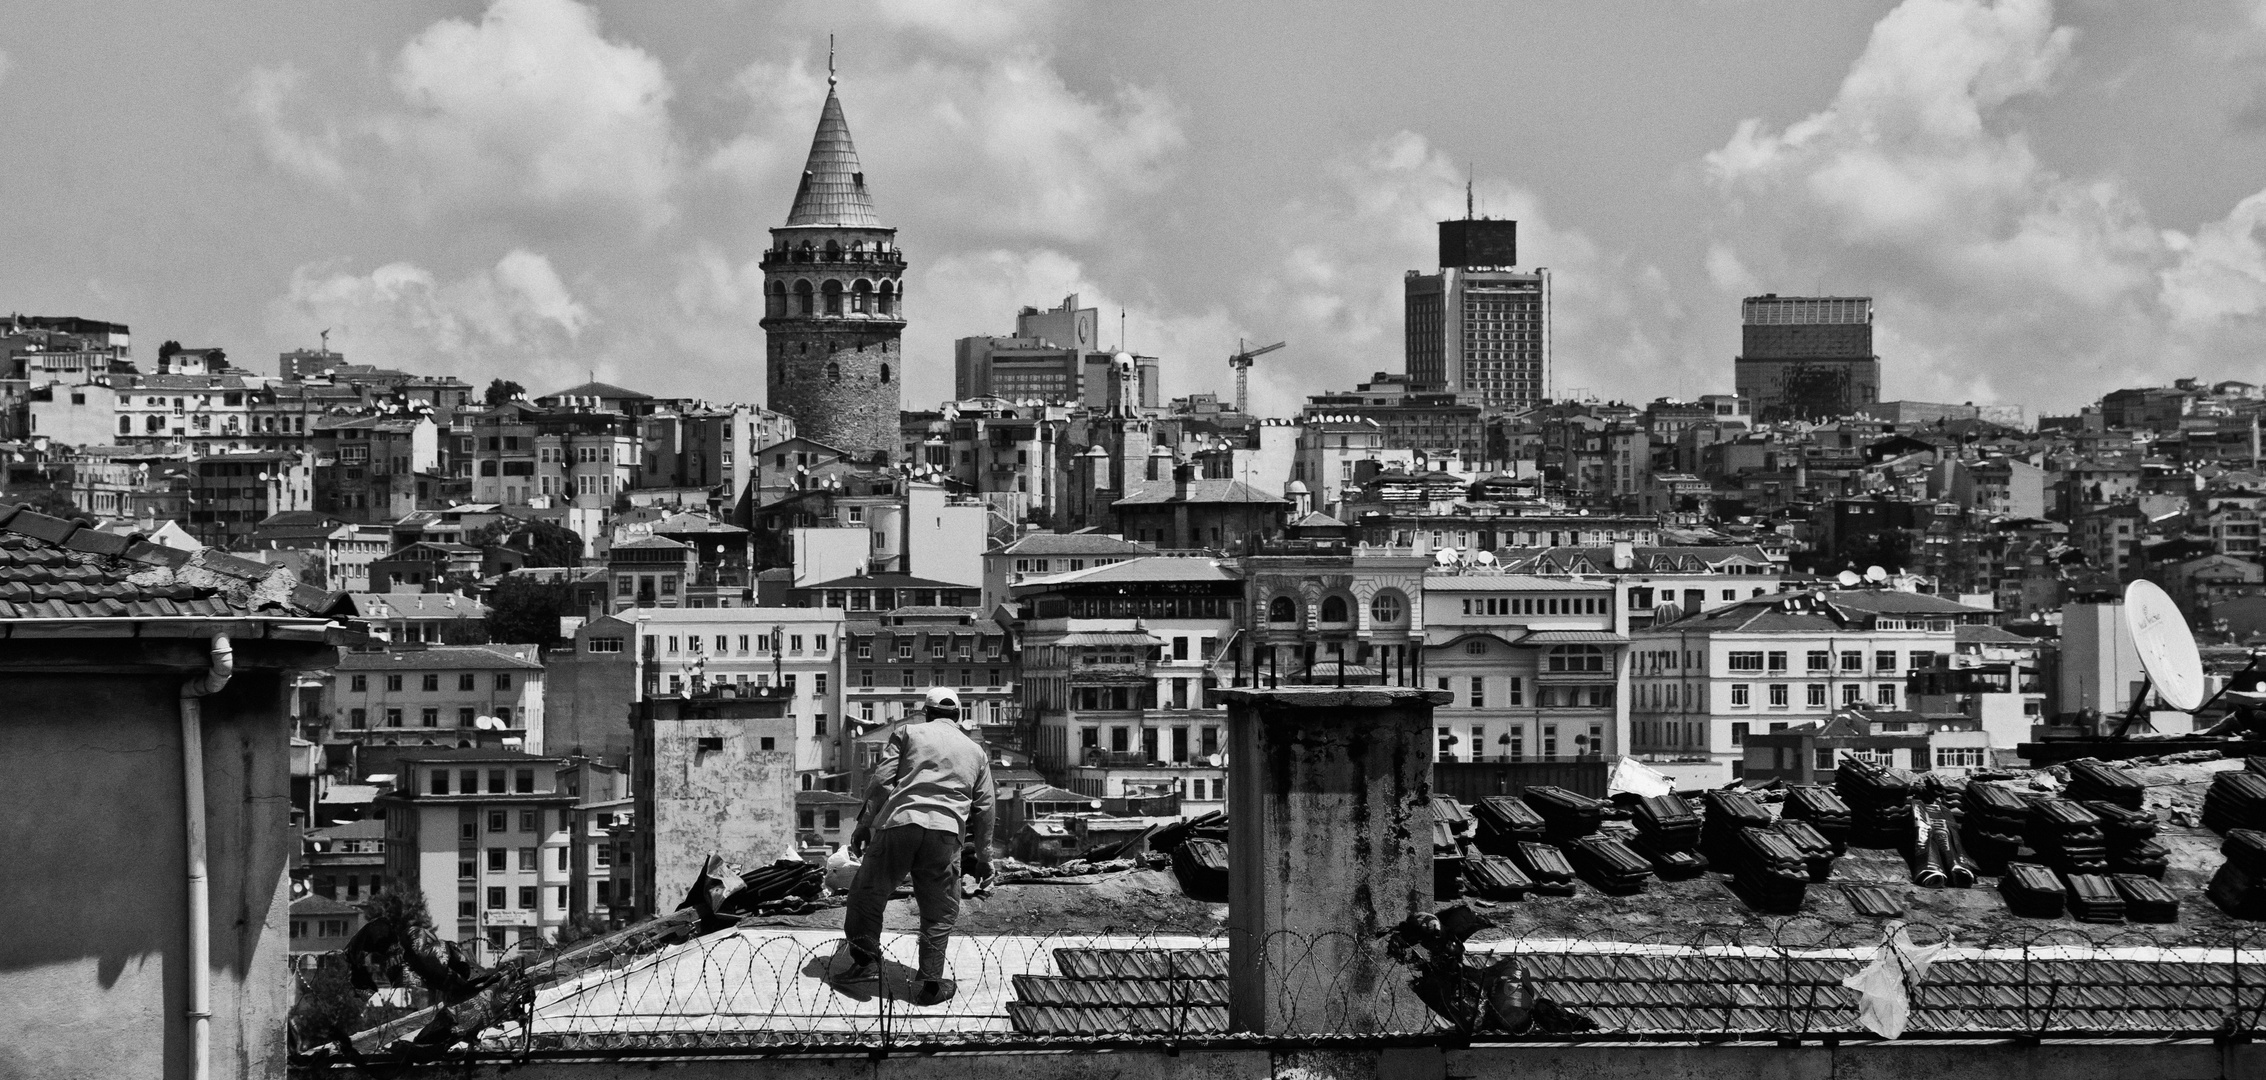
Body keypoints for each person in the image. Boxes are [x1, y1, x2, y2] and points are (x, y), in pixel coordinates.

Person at [838, 686, 994, 1005]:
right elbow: (987, 807)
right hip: (945, 834)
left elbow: (881, 781)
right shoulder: (976, 751)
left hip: (901, 825)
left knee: (867, 893)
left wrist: (864, 824)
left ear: (927, 712)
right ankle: (930, 985)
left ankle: (865, 963)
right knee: (938, 913)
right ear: (958, 716)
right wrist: (984, 857)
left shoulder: (907, 732)